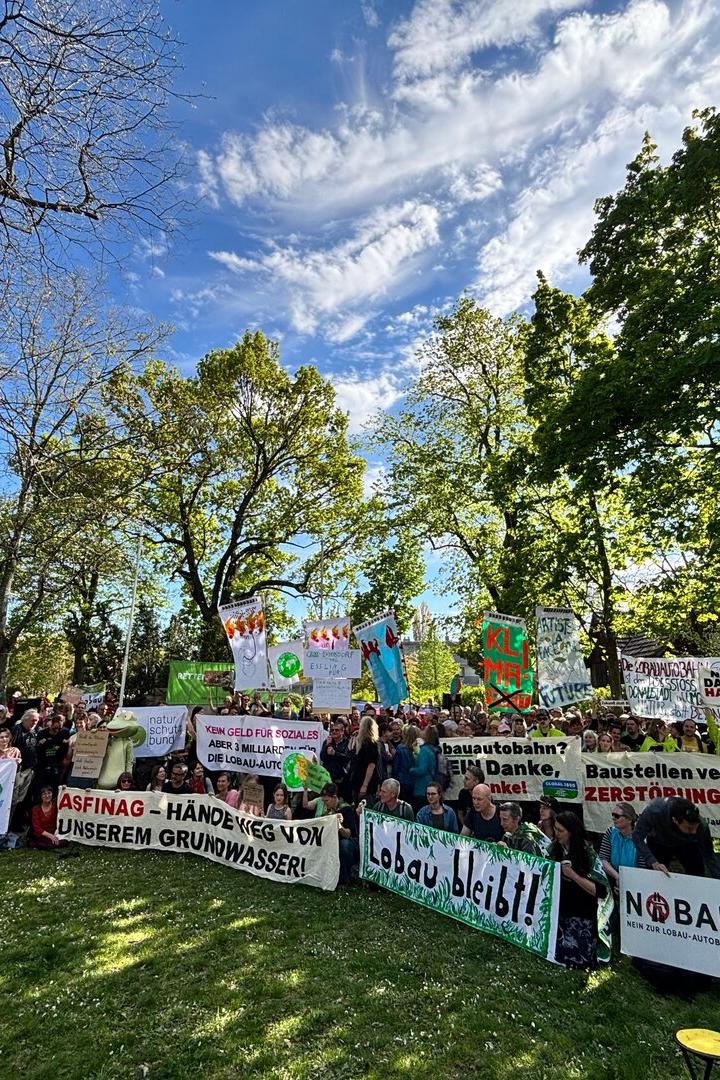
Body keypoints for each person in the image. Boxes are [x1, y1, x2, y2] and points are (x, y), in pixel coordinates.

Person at [550, 812, 608, 969]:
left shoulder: (586, 853)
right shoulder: (555, 849)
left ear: (572, 832)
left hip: (582, 911)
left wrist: (573, 875)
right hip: (560, 908)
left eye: (561, 831)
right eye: (555, 829)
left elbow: (600, 891)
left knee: (575, 957)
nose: (557, 834)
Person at [632, 797, 720, 878]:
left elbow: (709, 856)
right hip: (659, 842)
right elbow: (637, 836)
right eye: (689, 828)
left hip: (688, 843)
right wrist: (652, 861)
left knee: (697, 874)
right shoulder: (655, 811)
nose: (694, 831)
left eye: (696, 827)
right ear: (675, 820)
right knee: (655, 875)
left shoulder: (702, 826)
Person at [302, 782, 357, 885]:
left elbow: (349, 834)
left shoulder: (346, 809)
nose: (325, 803)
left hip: (346, 842)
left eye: (326, 800)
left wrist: (339, 825)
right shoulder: (327, 810)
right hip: (329, 841)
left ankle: (344, 878)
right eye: (323, 800)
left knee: (344, 845)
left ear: (334, 797)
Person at [599, 803, 639, 894]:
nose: (613, 818)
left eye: (616, 816)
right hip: (613, 878)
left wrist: (625, 883)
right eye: (612, 815)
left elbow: (642, 868)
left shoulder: (641, 838)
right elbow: (603, 859)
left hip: (635, 881)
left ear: (629, 819)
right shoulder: (610, 832)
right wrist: (617, 877)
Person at [351, 714, 381, 802]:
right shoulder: (362, 743)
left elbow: (371, 765)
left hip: (366, 781)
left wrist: (365, 785)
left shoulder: (371, 745)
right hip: (358, 779)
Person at [409, 725, 440, 812]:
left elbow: (422, 769)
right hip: (432, 782)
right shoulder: (435, 749)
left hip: (422, 787)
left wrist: (411, 770)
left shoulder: (424, 750)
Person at [392, 724, 420, 804]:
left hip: (403, 782)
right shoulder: (421, 749)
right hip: (417, 782)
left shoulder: (400, 748)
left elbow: (396, 768)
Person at [320, 720, 351, 792]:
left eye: (337, 730)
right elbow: (322, 757)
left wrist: (335, 753)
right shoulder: (327, 741)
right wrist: (327, 746)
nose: (334, 732)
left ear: (342, 732)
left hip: (341, 777)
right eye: (332, 730)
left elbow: (347, 757)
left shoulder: (347, 742)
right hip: (328, 776)